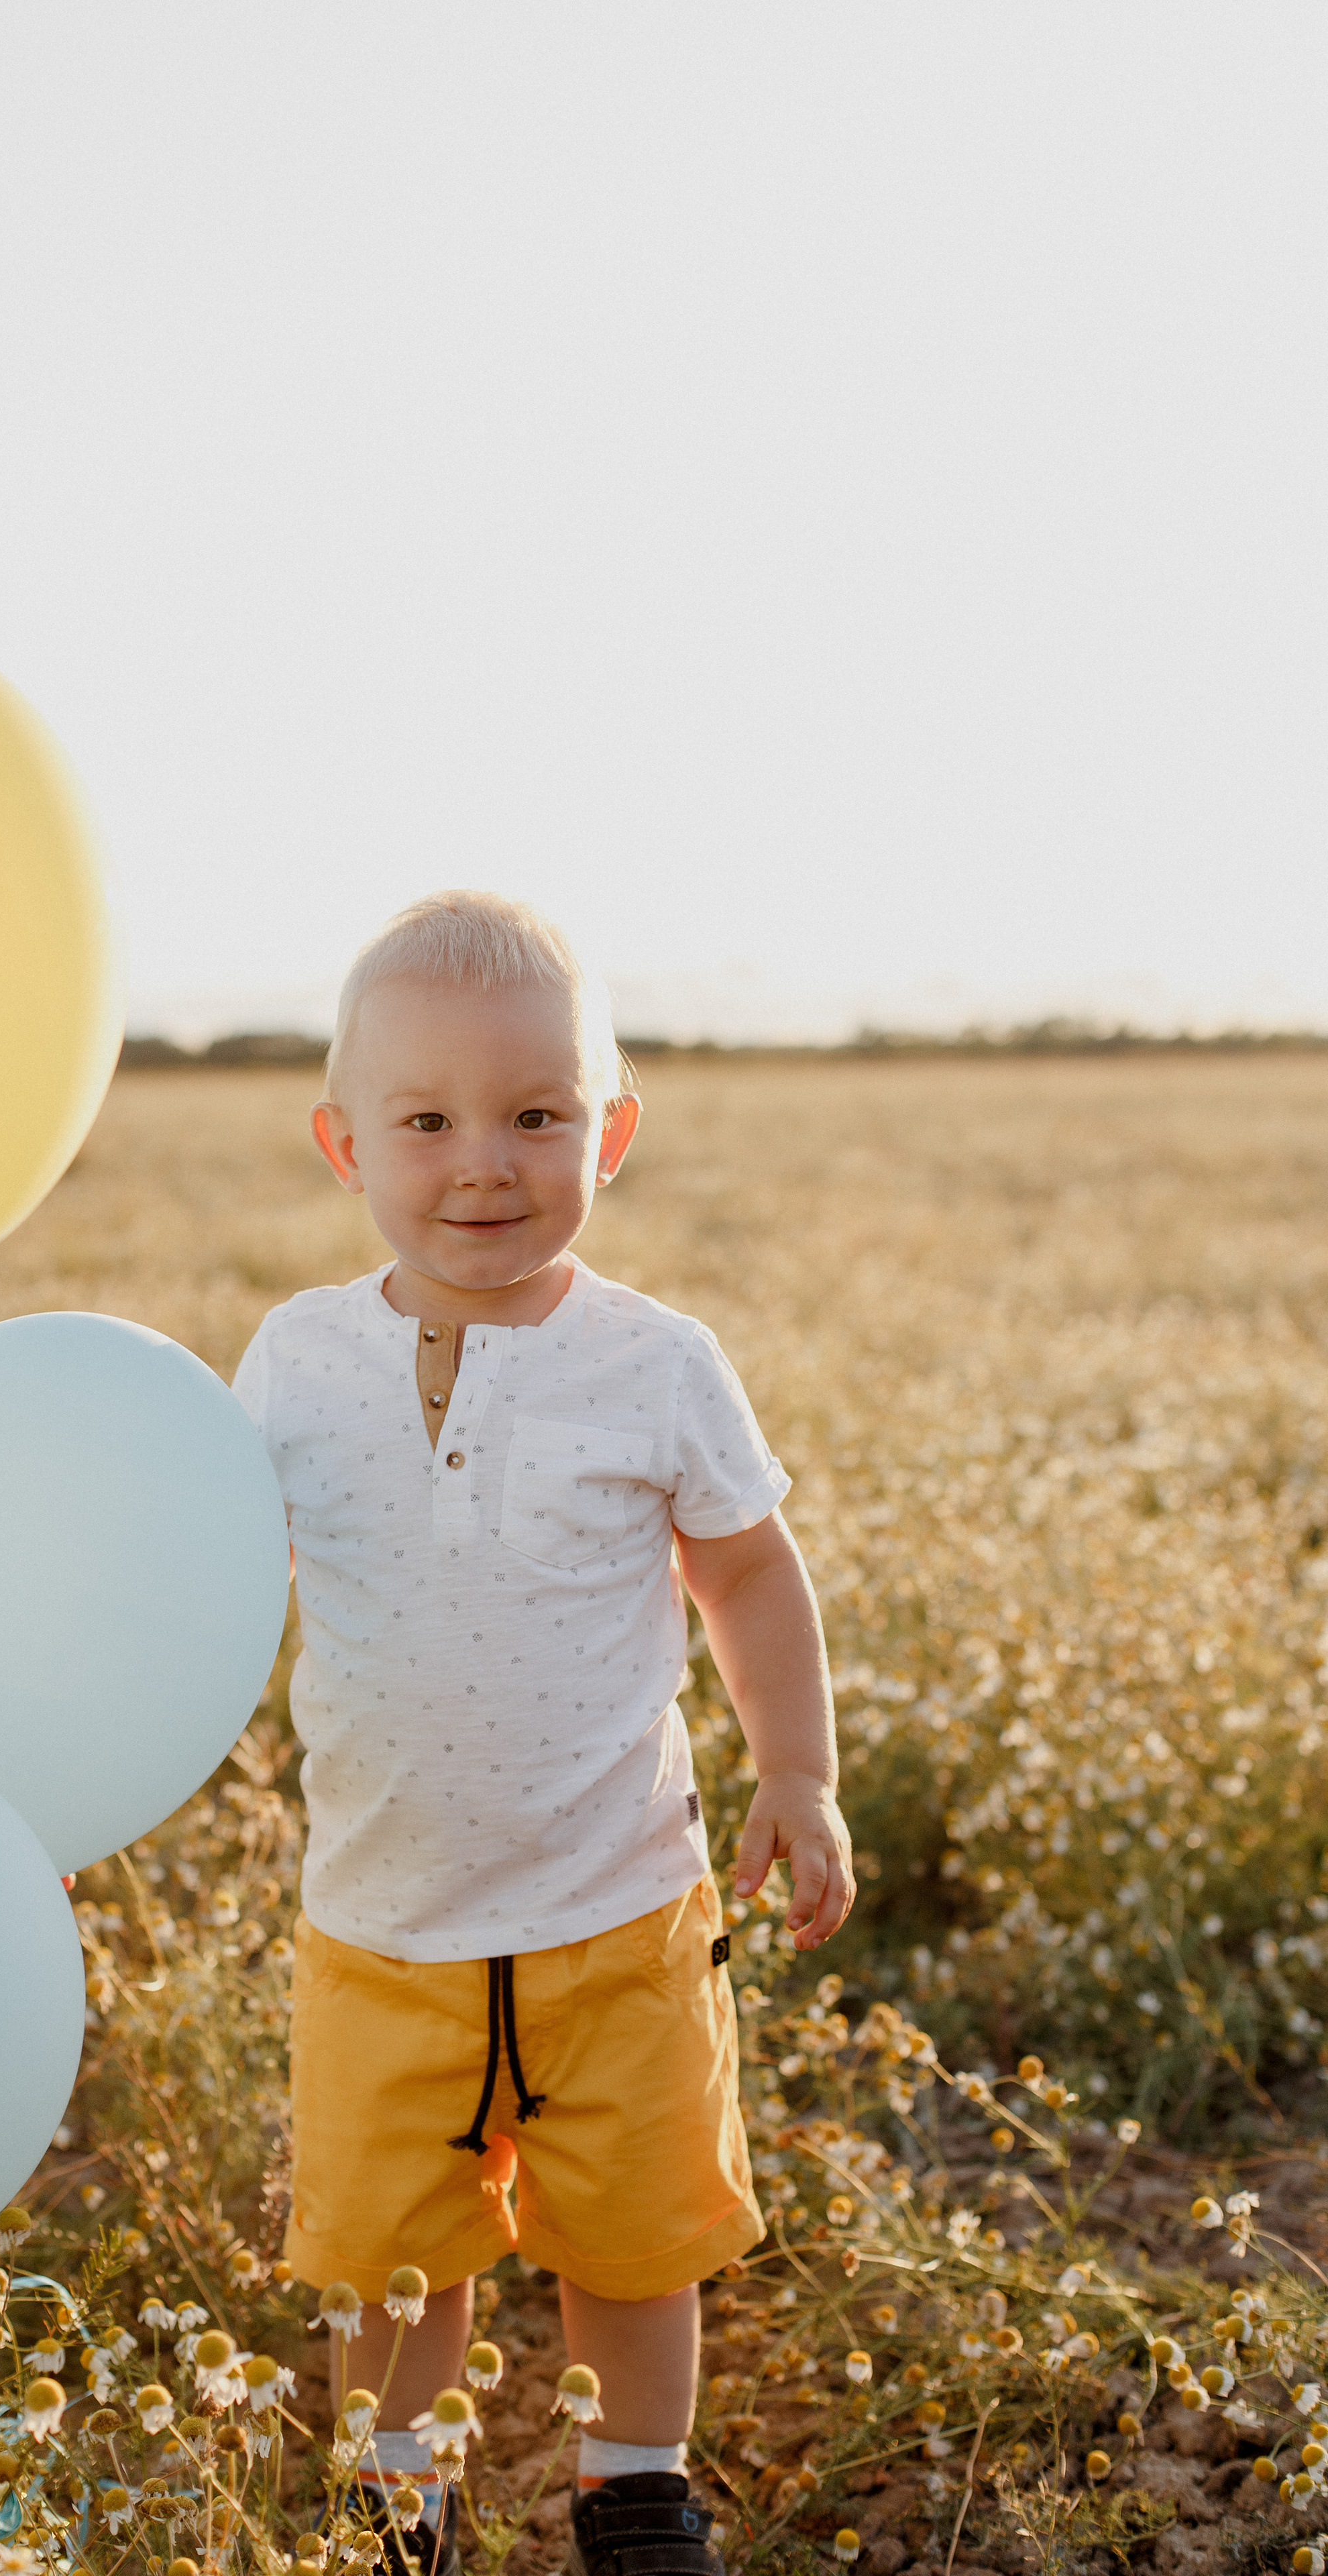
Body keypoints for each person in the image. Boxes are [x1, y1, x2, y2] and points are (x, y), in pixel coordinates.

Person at [232, 891, 856, 2576]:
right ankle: (393, 2494)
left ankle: (631, 2483)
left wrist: (794, 1770)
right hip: (383, 1925)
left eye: (536, 1116)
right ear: (340, 1142)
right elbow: (209, 1571)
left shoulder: (652, 1362)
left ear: (614, 1129)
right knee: (389, 2263)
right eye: (425, 1121)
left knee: (636, 2239)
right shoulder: (291, 1363)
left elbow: (745, 1571)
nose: (483, 1164)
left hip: (618, 1911)